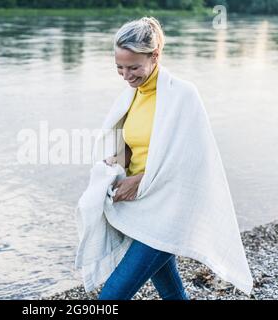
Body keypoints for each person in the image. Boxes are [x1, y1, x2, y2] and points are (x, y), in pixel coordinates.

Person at [98, 16, 190, 300]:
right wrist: (117, 161)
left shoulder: (182, 96)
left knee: (111, 297)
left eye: (134, 67)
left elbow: (191, 160)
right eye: (119, 68)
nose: (126, 76)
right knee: (169, 286)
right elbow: (136, 143)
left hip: (169, 210)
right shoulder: (133, 95)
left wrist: (140, 180)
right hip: (144, 207)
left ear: (155, 56)